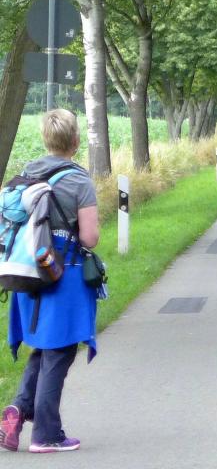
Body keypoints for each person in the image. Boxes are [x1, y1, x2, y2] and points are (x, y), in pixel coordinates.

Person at [1, 109, 100, 454]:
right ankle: (46, 434)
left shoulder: (27, 174)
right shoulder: (79, 181)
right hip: (62, 273)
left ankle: (16, 410)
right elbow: (89, 238)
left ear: (46, 139)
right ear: (75, 141)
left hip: (28, 271)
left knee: (44, 346)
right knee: (59, 350)